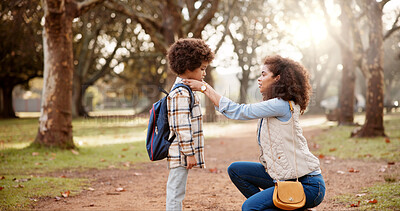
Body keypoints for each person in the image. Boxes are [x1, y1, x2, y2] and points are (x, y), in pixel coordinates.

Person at [183, 55, 325, 210]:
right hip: (286, 179)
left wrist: (205, 88)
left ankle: (283, 205)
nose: (259, 79)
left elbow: (239, 111)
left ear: (277, 79)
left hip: (307, 185)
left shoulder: (281, 105)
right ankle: (284, 205)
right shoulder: (274, 104)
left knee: (250, 207)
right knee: (237, 170)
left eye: (264, 74)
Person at [165, 38, 214, 211]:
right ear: (188, 67)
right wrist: (189, 153)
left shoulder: (185, 90)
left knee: (178, 189)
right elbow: (181, 126)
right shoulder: (180, 93)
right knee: (176, 190)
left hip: (182, 152)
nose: (204, 73)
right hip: (180, 152)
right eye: (202, 69)